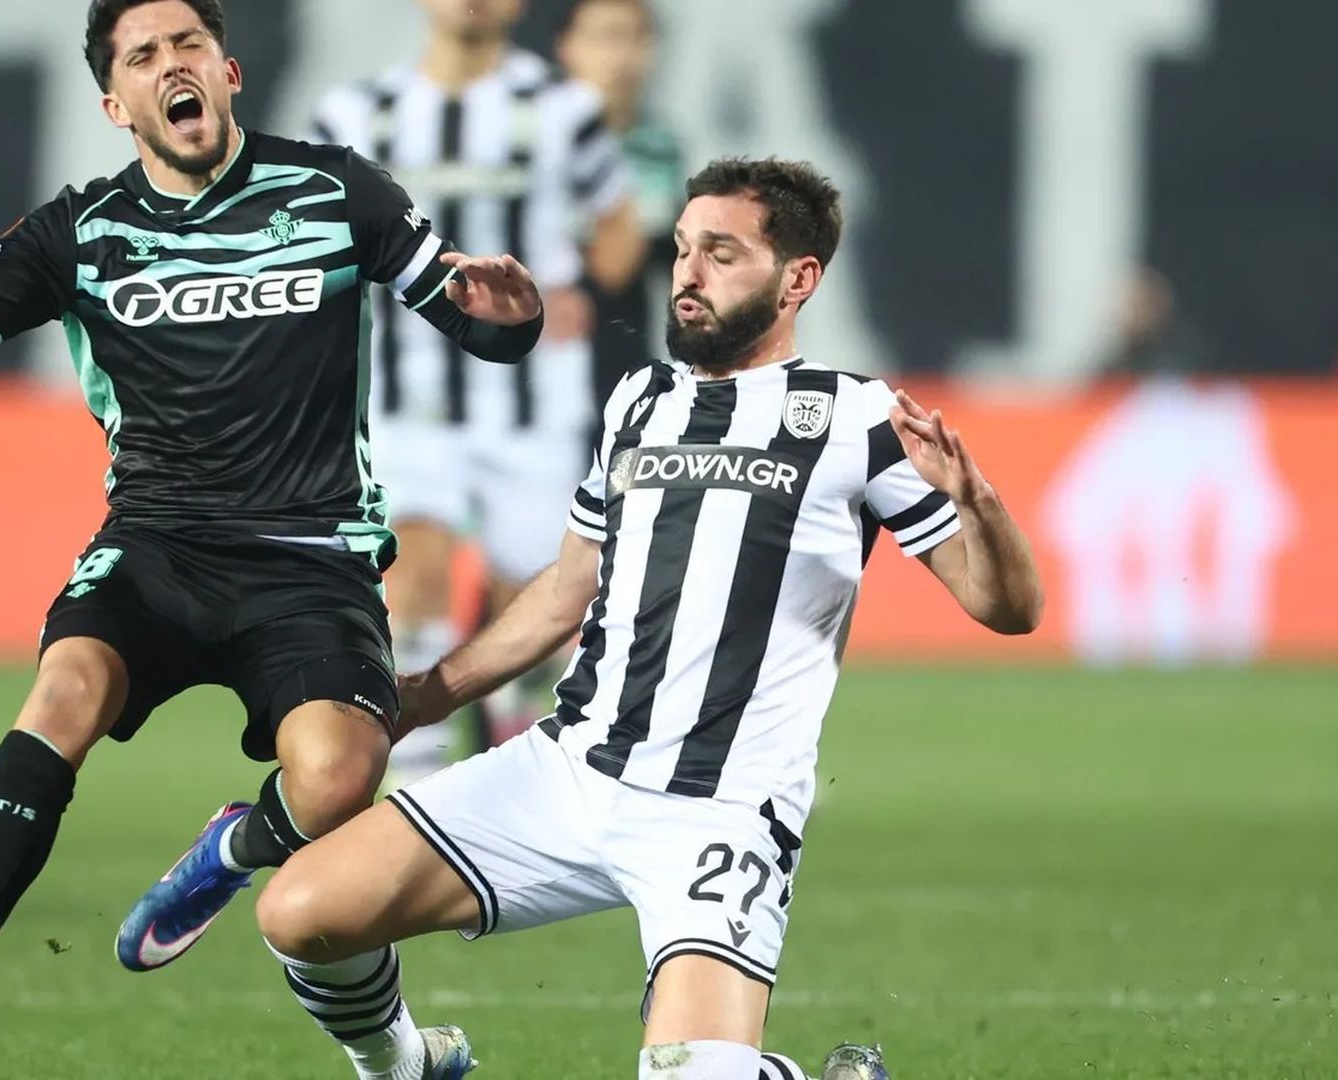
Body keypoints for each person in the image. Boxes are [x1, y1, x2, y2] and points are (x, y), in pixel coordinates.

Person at [0, 1, 544, 1076]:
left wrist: (512, 315)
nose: (170, 67)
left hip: (310, 559)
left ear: (226, 72)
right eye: (142, 56)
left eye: (186, 48)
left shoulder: (336, 190)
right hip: (158, 548)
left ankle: (234, 848)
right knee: (64, 689)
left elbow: (473, 318)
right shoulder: (79, 234)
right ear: (114, 102)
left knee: (340, 783)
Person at [254, 157, 1045, 1080]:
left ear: (799, 279)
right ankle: (404, 1066)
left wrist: (978, 501)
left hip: (721, 811)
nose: (687, 273)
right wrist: (428, 696)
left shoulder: (856, 417)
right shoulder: (641, 401)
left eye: (722, 252)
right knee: (300, 912)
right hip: (568, 772)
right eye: (681, 249)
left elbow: (1009, 609)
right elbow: (564, 588)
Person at [312, 0, 644, 782]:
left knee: (533, 602)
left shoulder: (565, 110)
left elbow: (621, 228)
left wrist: (584, 290)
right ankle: (416, 793)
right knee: (415, 574)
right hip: (407, 398)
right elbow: (304, 228)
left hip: (531, 402)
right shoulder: (353, 113)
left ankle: (511, 706)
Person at [555, 0, 685, 410]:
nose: (620, 56)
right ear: (566, 47)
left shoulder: (660, 148)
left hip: (628, 371)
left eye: (634, 38)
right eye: (604, 37)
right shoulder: (533, 145)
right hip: (546, 365)